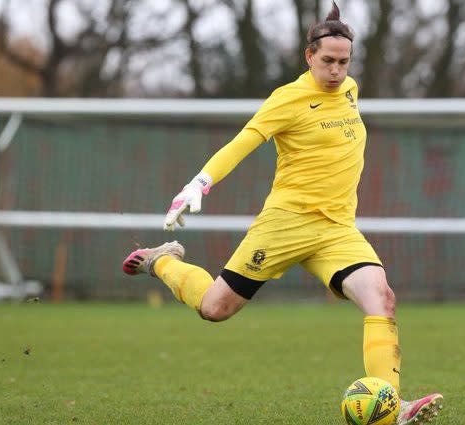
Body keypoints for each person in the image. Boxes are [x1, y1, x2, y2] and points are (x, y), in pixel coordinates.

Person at [122, 2, 443, 423]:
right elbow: (244, 141)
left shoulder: (350, 90)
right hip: (285, 225)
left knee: (381, 298)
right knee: (215, 308)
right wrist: (199, 183)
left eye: (344, 62)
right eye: (327, 61)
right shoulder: (288, 99)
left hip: (336, 231)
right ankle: (162, 260)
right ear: (308, 57)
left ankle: (391, 405)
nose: (336, 70)